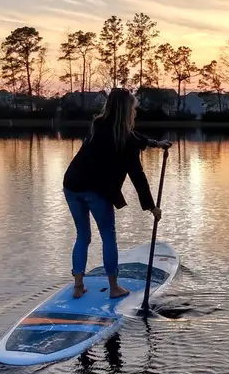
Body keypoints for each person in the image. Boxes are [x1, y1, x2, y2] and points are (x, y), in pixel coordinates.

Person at [62, 89, 171, 300]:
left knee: (82, 235)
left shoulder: (100, 125)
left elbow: (133, 137)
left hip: (72, 184)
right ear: (126, 110)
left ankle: (78, 286)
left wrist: (154, 144)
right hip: (95, 190)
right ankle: (114, 288)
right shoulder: (124, 139)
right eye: (134, 109)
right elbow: (137, 176)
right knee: (108, 236)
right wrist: (151, 207)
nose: (135, 113)